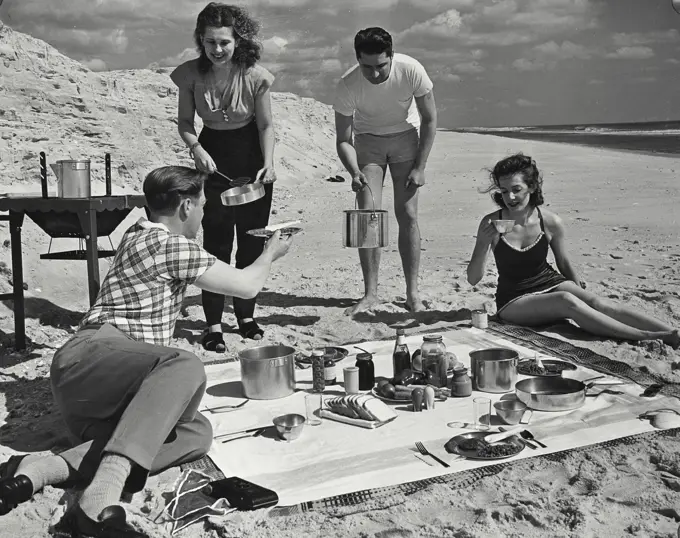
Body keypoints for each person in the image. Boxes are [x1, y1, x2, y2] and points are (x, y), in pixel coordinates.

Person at [0, 166, 292, 537]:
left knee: (196, 434)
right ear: (186, 206)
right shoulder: (170, 245)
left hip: (97, 394)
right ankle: (99, 499)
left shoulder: (137, 233)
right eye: (201, 205)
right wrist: (271, 253)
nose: (202, 214)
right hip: (93, 353)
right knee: (185, 365)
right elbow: (247, 286)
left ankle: (40, 470)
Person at [467, 153, 680, 348]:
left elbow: (563, 263)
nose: (510, 197)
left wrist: (581, 292)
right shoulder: (493, 223)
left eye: (516, 189)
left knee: (597, 302)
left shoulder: (549, 221)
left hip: (549, 281)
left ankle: (671, 332)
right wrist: (484, 242)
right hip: (514, 300)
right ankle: (644, 336)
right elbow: (473, 279)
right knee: (566, 301)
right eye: (504, 191)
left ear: (531, 187)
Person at [171, 3, 277, 352]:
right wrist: (195, 148)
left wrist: (270, 163)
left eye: (224, 43)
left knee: (251, 242)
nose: (217, 50)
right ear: (201, 41)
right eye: (209, 42)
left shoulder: (256, 76)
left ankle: (246, 317)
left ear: (238, 41)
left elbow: (265, 125)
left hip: (251, 158)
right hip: (210, 156)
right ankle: (213, 324)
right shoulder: (189, 74)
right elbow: (186, 123)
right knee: (215, 244)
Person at [333, 27, 437, 316]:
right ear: (357, 59)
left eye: (381, 66)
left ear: (391, 56)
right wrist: (353, 171)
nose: (375, 74)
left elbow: (429, 120)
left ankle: (412, 293)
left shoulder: (411, 69)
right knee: (367, 216)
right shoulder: (347, 85)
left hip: (405, 137)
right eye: (367, 67)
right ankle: (370, 294)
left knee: (408, 214)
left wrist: (420, 166)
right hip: (367, 143)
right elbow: (343, 139)